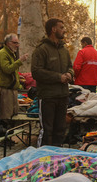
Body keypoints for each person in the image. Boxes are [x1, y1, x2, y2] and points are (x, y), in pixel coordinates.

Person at [31, 18, 74, 147]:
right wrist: (58, 77)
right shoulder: (41, 49)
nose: (64, 30)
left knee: (60, 130)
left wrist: (69, 74)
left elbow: (70, 67)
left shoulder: (64, 50)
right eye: (61, 27)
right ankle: (41, 159)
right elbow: (36, 71)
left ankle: (57, 158)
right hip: (47, 97)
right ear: (53, 29)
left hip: (63, 96)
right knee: (47, 131)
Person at [0, 34, 29, 121]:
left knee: (13, 115)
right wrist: (20, 61)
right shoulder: (2, 53)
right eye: (15, 43)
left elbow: (12, 70)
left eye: (18, 43)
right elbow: (7, 69)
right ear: (8, 43)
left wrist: (18, 77)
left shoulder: (11, 53)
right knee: (5, 117)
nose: (17, 45)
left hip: (12, 89)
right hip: (5, 91)